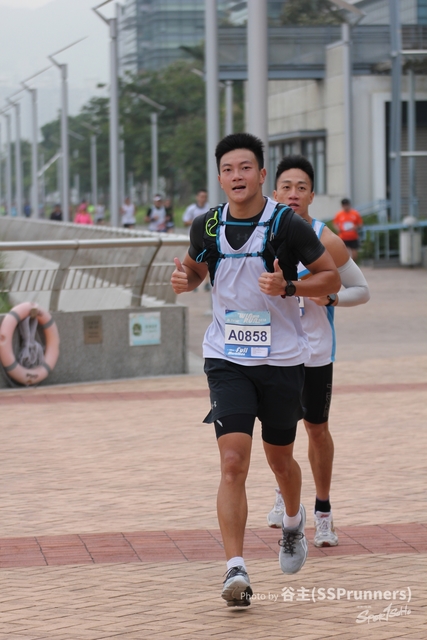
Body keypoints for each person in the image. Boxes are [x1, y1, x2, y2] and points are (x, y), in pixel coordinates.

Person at [171, 133, 340, 608]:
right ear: (220, 177)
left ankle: (293, 523)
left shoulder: (287, 225)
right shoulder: (207, 226)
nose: (237, 176)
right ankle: (235, 568)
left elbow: (330, 277)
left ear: (262, 174)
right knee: (232, 461)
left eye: (245, 168)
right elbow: (195, 270)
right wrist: (185, 280)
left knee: (281, 460)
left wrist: (289, 287)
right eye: (228, 170)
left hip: (283, 360)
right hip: (227, 358)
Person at [266, 155, 370, 548]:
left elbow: (361, 290)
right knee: (280, 430)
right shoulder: (263, 236)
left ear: (312, 195)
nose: (293, 194)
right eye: (286, 187)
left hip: (315, 351)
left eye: (302, 188)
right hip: (277, 351)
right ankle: (284, 494)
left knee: (316, 429)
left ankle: (323, 511)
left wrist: (331, 299)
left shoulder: (327, 240)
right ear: (274, 193)